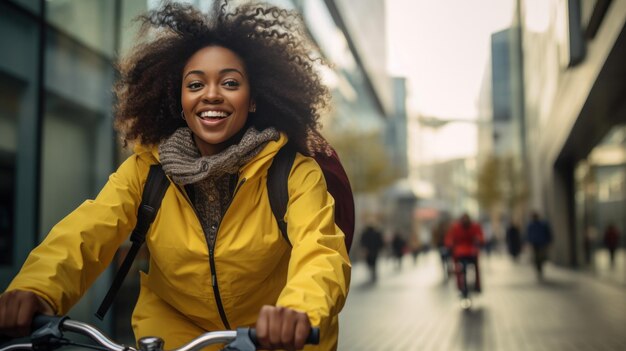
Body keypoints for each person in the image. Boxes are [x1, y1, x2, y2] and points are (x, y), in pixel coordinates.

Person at [0, 2, 350, 350]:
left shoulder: (291, 171)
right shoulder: (147, 170)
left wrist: (297, 311)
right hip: (176, 336)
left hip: (271, 338)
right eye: (195, 85)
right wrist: (36, 288)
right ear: (179, 99)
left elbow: (321, 251)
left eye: (229, 82)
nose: (211, 94)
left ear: (254, 99)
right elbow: (87, 231)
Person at [445, 213, 484, 294]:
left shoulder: (473, 227)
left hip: (469, 252)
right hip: (460, 253)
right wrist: (450, 244)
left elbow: (480, 237)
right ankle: (461, 285)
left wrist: (478, 240)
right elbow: (449, 238)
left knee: (475, 266)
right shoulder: (455, 228)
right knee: (458, 268)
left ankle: (477, 285)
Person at [526, 211, 552, 279]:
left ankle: (539, 268)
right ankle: (539, 268)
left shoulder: (541, 224)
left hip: (540, 243)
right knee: (537, 257)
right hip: (537, 243)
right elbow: (528, 235)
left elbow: (547, 233)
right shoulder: (533, 225)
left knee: (539, 257)